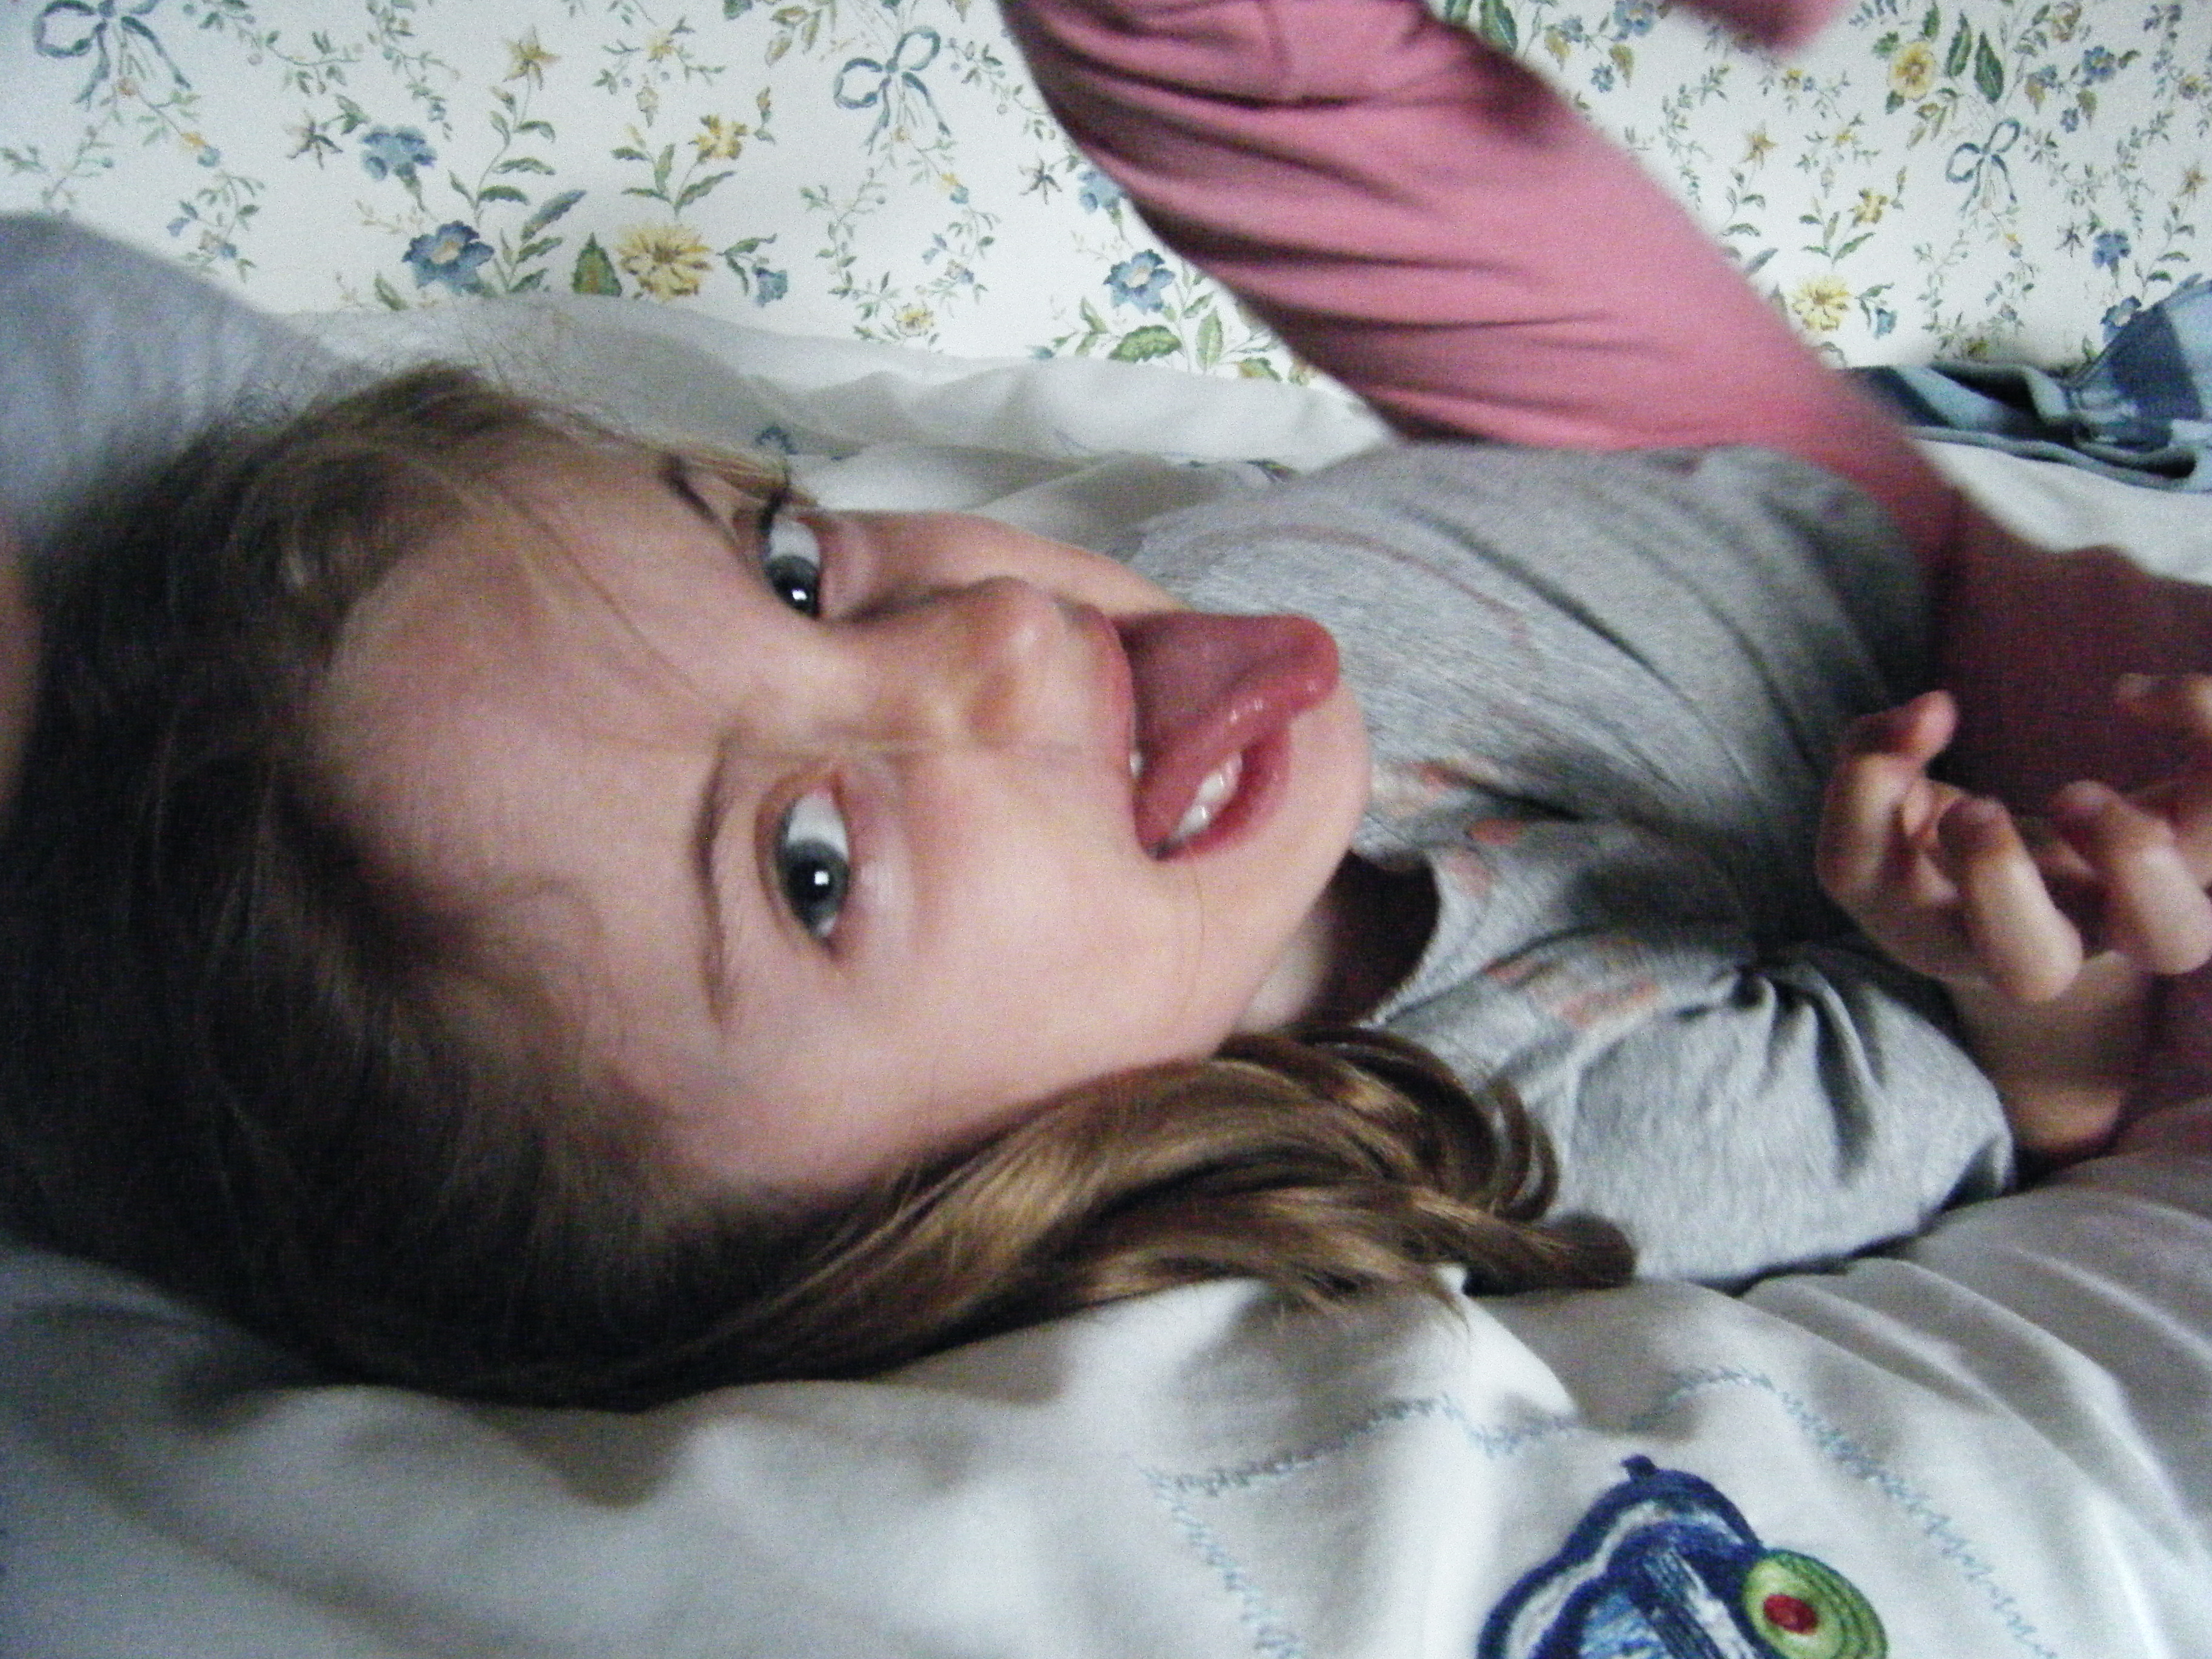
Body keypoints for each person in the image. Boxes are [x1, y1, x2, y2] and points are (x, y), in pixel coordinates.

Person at [0, 0, 2199, 1408]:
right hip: (1932, 647)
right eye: (813, 869)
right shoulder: (1563, 1132)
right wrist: (2044, 1008)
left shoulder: (1158, 702)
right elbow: (1975, 1097)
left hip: (1745, 492)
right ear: (892, 1242)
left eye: (791, 565)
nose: (979, 633)